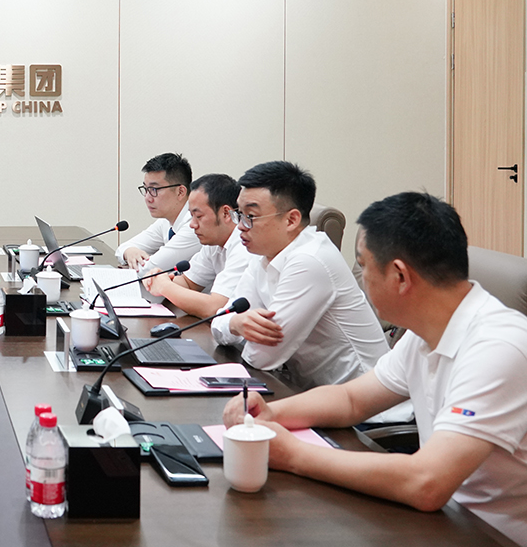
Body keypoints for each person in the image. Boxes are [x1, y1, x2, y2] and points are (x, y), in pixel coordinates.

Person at [224, 192, 527, 546]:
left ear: (400, 276)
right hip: (444, 520)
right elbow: (352, 400)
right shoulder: (424, 332)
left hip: (491, 534)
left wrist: (292, 455)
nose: (361, 279)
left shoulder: (498, 347)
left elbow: (427, 482)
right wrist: (272, 412)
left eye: (363, 266)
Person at [211, 161, 390, 391]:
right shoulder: (263, 254)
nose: (240, 227)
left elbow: (261, 357)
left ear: (291, 220)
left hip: (366, 402)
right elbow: (219, 321)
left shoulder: (310, 261)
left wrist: (234, 328)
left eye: (251, 216)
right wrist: (235, 323)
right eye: (239, 214)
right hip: (313, 394)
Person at [144, 173, 250, 318]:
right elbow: (187, 282)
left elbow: (216, 308)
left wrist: (164, 286)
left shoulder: (245, 244)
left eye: (198, 216)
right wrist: (160, 280)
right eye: (191, 216)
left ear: (226, 213)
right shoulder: (213, 243)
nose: (192, 224)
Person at [116, 153, 201, 272]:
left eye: (154, 189)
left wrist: (134, 261)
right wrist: (129, 251)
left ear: (180, 192)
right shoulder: (165, 221)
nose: (147, 198)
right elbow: (122, 249)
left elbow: (148, 269)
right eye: (146, 189)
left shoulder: (194, 226)